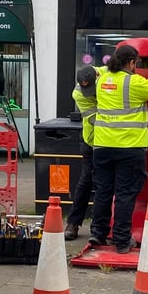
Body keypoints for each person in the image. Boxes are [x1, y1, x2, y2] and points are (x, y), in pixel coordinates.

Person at [88, 45, 148, 253]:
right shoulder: (135, 82)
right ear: (131, 63)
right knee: (124, 195)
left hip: (102, 146)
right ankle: (122, 241)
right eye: (137, 63)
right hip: (129, 147)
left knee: (103, 191)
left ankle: (98, 233)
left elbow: (96, 76)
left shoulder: (102, 80)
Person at [64, 66, 100, 240]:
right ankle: (74, 223)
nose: (89, 94)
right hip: (92, 140)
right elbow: (93, 119)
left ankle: (98, 228)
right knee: (86, 180)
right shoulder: (78, 93)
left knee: (104, 184)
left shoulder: (107, 76)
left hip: (111, 141)